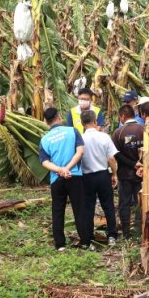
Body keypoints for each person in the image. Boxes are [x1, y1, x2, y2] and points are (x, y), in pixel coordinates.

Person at [39, 107, 90, 251]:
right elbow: (80, 152)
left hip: (57, 179)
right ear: (59, 117)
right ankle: (85, 242)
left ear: (46, 121)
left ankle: (60, 244)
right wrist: (68, 168)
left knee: (58, 210)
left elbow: (45, 162)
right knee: (79, 209)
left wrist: (60, 170)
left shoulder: (44, 139)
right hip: (75, 176)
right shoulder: (72, 131)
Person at [79, 110, 119, 245]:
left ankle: (90, 237)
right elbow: (111, 158)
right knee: (108, 205)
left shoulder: (80, 139)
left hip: (87, 176)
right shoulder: (104, 137)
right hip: (103, 174)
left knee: (88, 207)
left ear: (82, 123)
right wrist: (114, 174)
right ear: (95, 121)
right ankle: (112, 235)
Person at [112, 105, 144, 240]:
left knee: (124, 203)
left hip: (125, 174)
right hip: (142, 174)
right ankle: (139, 231)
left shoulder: (118, 132)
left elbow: (115, 153)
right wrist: (140, 165)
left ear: (122, 117)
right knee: (140, 203)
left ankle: (126, 233)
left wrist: (132, 164)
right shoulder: (145, 130)